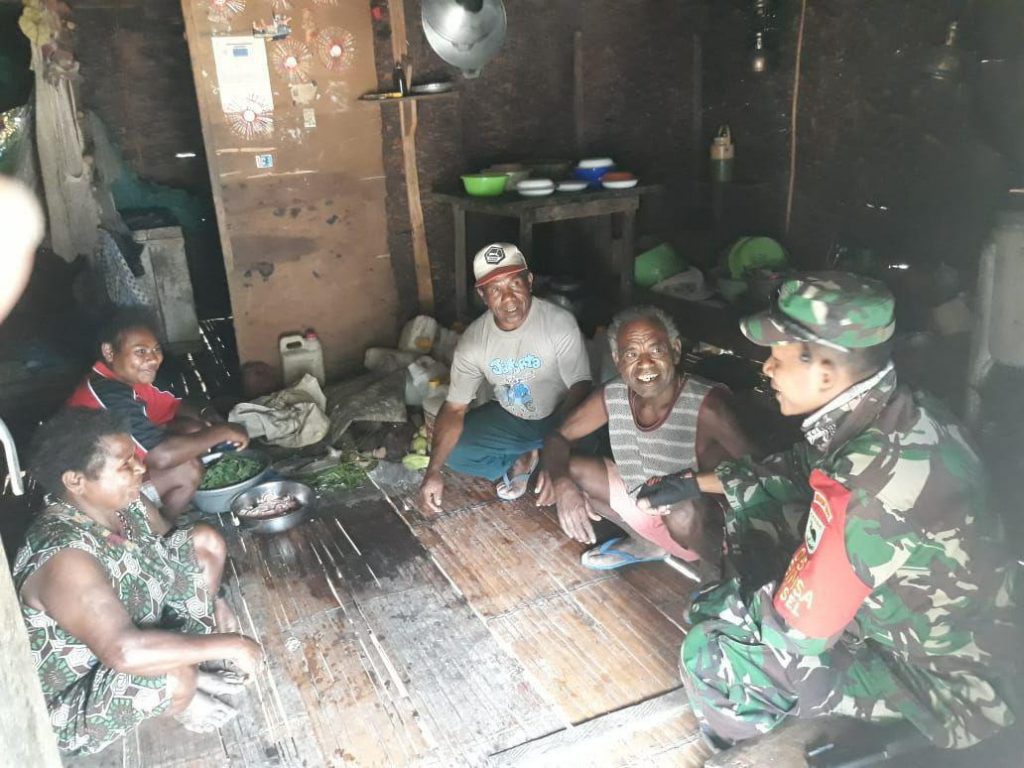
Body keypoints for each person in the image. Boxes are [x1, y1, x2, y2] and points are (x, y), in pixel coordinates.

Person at [641, 273, 1019, 751]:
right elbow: (793, 468)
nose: (767, 369)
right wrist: (692, 483)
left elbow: (801, 631)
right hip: (969, 634)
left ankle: (739, 741)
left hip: (948, 687)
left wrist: (721, 604)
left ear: (823, 374)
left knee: (712, 650)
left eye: (777, 358)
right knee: (765, 502)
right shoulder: (897, 410)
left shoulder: (866, 483)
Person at [14, 408, 263, 755]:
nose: (140, 469)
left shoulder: (121, 502)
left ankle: (189, 667)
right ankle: (184, 694)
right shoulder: (64, 556)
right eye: (125, 465)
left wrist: (216, 599)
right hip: (80, 691)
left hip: (132, 626)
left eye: (134, 458)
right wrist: (232, 645)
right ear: (76, 481)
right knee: (173, 674)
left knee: (203, 542)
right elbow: (124, 651)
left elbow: (173, 545)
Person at [536, 306, 756, 572]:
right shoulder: (614, 394)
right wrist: (561, 482)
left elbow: (761, 473)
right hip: (645, 506)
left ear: (675, 350)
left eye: (656, 350)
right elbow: (559, 437)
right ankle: (648, 544)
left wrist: (688, 487)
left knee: (682, 511)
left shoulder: (707, 407)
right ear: (618, 360)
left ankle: (719, 574)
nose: (645, 364)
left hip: (705, 533)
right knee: (568, 470)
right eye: (631, 354)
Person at [419, 243, 592, 514]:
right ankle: (523, 457)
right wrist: (433, 470)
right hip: (513, 419)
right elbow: (454, 408)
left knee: (592, 458)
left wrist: (557, 459)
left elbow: (580, 389)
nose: (508, 298)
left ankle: (543, 456)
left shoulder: (558, 323)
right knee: (451, 451)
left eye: (515, 283)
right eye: (496, 289)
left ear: (530, 281)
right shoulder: (474, 342)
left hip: (562, 416)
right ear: (482, 295)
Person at [67, 308, 249, 517]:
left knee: (192, 428)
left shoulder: (124, 381)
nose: (153, 359)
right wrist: (224, 431)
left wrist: (206, 413)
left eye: (156, 349)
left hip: (118, 470)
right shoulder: (108, 393)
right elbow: (161, 457)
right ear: (109, 352)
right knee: (187, 469)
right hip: (95, 496)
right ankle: (159, 531)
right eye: (140, 351)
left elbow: (174, 406)